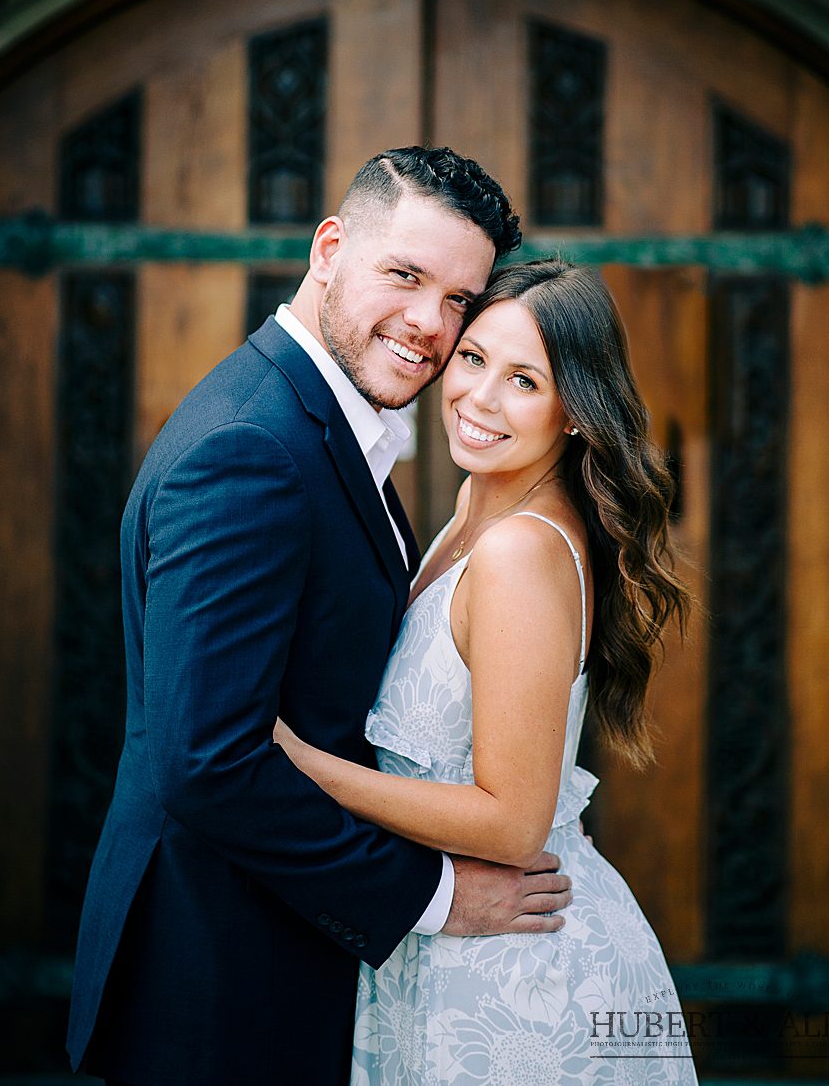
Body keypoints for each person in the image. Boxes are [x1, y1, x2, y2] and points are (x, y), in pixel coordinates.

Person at [69, 147, 573, 1084]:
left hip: (276, 961)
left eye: (458, 299)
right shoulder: (253, 447)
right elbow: (209, 765)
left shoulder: (322, 424)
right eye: (405, 275)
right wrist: (434, 897)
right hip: (220, 979)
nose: (429, 324)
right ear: (330, 247)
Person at [274, 258, 695, 1083]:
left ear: (574, 410)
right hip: (447, 938)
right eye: (472, 358)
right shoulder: (477, 506)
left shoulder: (518, 550)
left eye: (524, 380)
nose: (479, 399)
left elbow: (512, 823)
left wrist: (304, 765)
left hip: (519, 976)